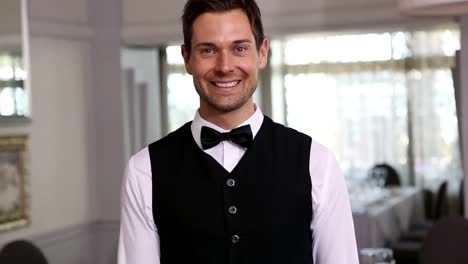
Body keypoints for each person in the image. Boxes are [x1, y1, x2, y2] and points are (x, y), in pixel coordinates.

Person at [117, 0, 359, 263]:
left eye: (239, 48)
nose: (224, 66)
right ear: (186, 58)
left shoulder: (317, 163)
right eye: (208, 50)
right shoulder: (144, 170)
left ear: (262, 52)